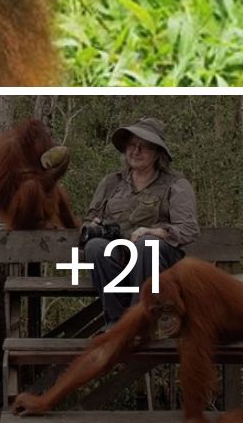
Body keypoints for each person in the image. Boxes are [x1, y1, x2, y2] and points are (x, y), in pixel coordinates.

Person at [80, 117, 198, 327]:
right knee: (96, 246)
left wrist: (155, 232)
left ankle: (139, 323)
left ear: (157, 154)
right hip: (118, 260)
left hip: (158, 264)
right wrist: (95, 226)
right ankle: (117, 325)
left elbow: (189, 229)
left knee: (147, 245)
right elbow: (89, 220)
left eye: (143, 147)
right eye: (132, 146)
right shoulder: (111, 183)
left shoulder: (176, 184)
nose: (135, 152)